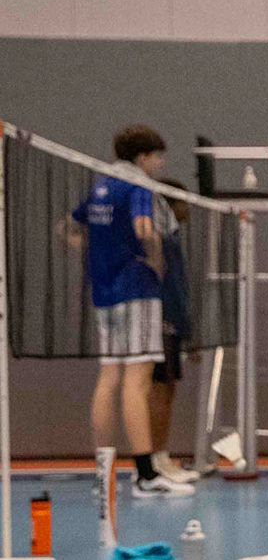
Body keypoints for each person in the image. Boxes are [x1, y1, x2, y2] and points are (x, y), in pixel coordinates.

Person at [65, 125, 195, 499]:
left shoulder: (101, 186)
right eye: (158, 157)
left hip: (105, 294)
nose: (160, 164)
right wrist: (155, 260)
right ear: (143, 157)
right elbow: (144, 228)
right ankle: (146, 476)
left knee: (109, 378)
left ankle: (103, 476)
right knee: (138, 381)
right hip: (137, 291)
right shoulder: (138, 184)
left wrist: (98, 256)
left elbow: (68, 227)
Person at [147, 179, 200, 484]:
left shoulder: (173, 238)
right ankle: (154, 459)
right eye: (182, 200)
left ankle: (161, 456)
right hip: (161, 322)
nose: (188, 206)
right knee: (159, 391)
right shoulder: (162, 240)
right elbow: (170, 287)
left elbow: (180, 288)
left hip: (172, 323)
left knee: (167, 391)